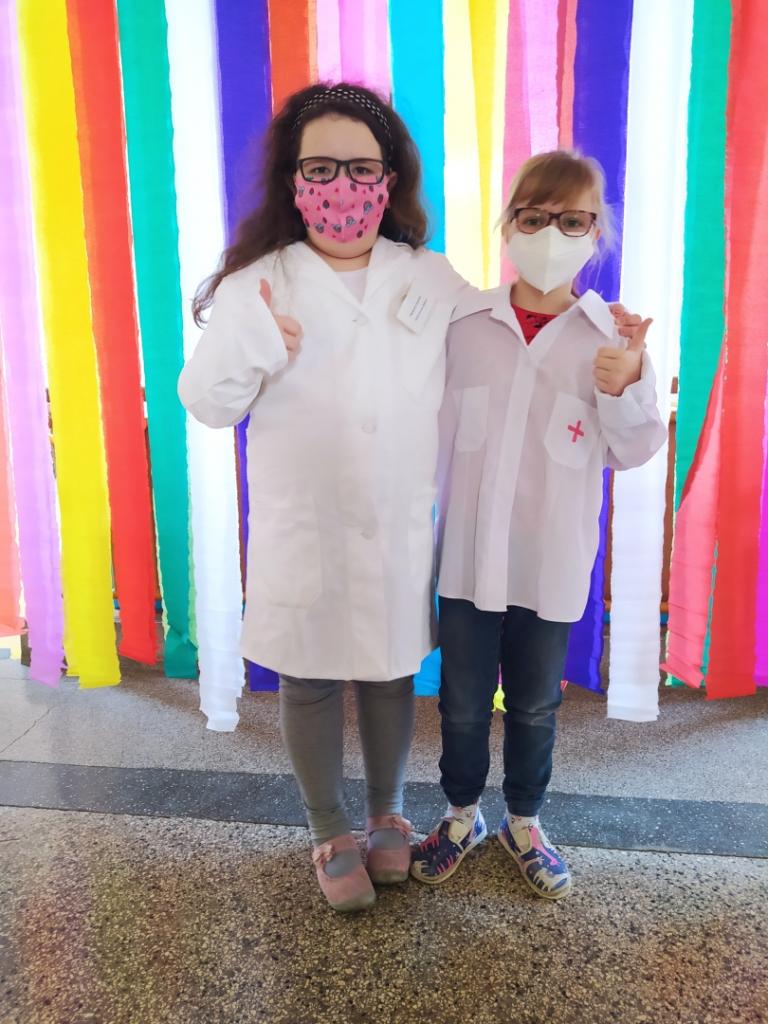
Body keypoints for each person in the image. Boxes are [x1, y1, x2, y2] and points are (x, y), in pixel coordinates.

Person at [178, 83, 468, 912]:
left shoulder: (431, 276)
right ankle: (328, 828)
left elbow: (496, 353)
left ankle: (387, 813)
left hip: (397, 521)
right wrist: (257, 341)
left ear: (390, 179)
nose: (343, 187)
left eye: (361, 169)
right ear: (292, 179)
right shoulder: (259, 283)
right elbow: (206, 402)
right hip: (303, 525)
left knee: (388, 674)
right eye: (321, 168)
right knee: (307, 678)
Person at [410, 150, 667, 900]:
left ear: (597, 232)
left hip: (548, 560)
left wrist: (627, 384)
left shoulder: (610, 337)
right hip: (466, 561)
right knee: (461, 703)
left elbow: (634, 449)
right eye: (534, 217)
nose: (551, 233)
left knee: (533, 704)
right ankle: (461, 815)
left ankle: (524, 821)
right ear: (508, 226)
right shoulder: (466, 323)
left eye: (572, 220)